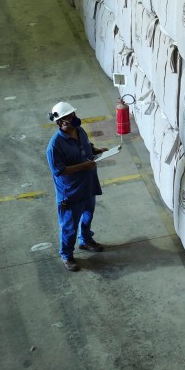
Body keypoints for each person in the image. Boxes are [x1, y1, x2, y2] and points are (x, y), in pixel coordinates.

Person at [46, 101, 108, 272]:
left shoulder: (79, 131)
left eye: (73, 115)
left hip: (88, 185)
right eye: (68, 118)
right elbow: (59, 171)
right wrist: (84, 166)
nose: (74, 119)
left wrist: (94, 150)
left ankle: (86, 240)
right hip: (71, 192)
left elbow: (84, 147)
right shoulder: (54, 146)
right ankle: (66, 255)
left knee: (88, 214)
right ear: (59, 122)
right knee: (69, 226)